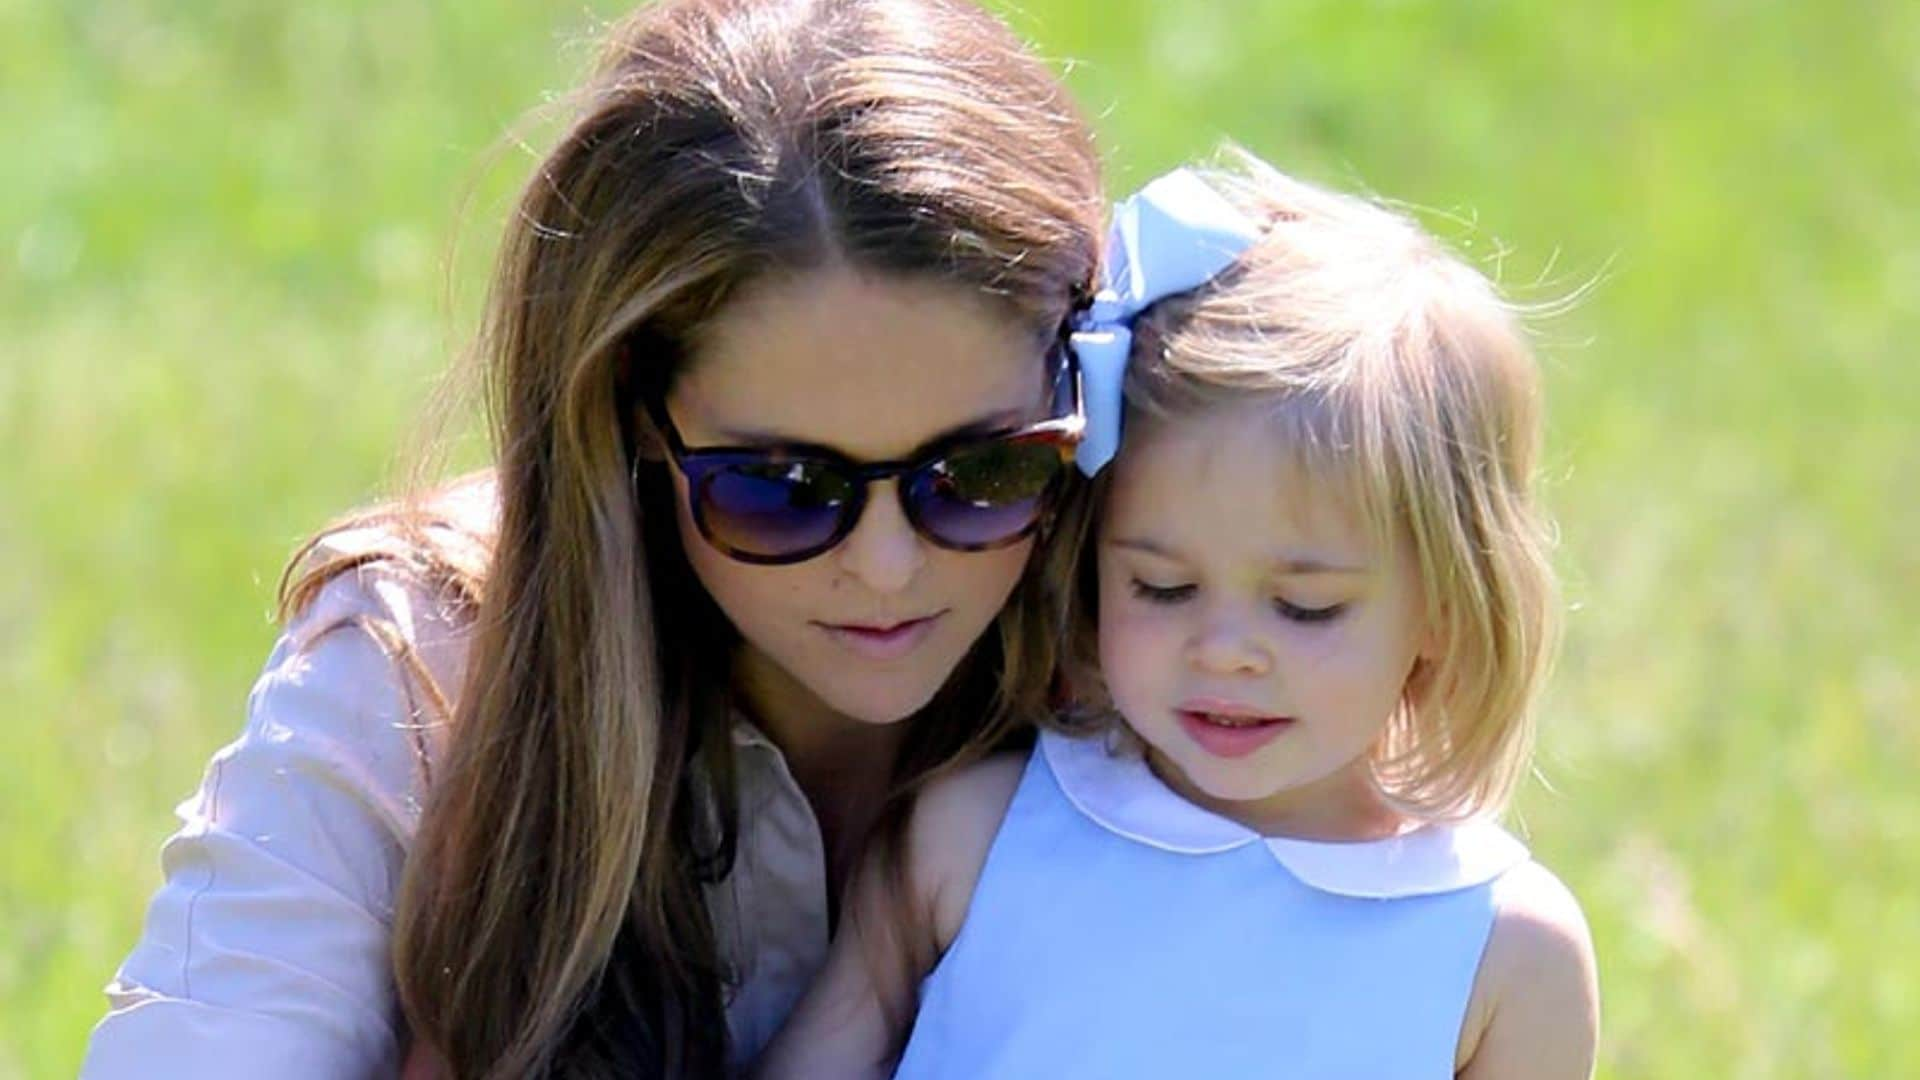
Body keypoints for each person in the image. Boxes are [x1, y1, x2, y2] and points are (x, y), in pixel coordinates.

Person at [80, 0, 1106, 1076]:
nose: (890, 566)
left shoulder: (1206, 647)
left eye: (982, 474)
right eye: (783, 490)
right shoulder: (419, 667)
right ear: (627, 415)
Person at [754, 158, 1601, 1078]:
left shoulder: (1499, 949)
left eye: (1304, 607)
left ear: (1445, 608)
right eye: (1162, 588)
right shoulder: (980, 837)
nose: (1226, 652)